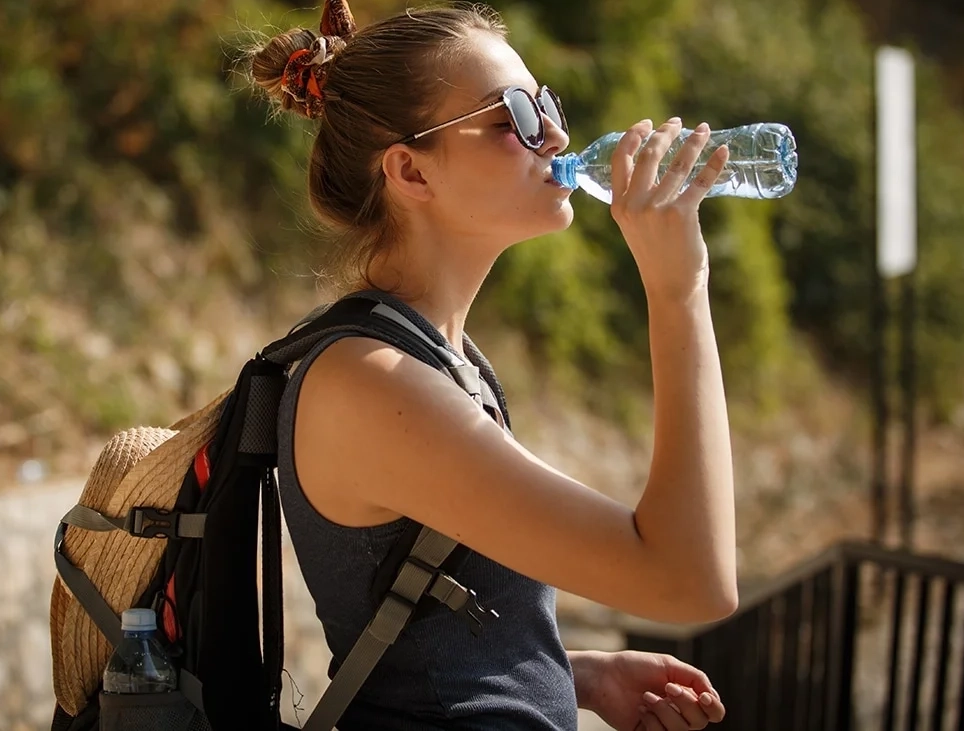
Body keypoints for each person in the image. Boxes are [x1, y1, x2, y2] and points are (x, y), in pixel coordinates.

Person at [246, 2, 738, 729]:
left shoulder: (439, 359)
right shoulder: (373, 385)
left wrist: (572, 674)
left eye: (548, 103)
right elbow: (690, 581)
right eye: (516, 116)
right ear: (411, 171)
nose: (559, 135)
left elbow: (420, 637)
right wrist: (678, 290)